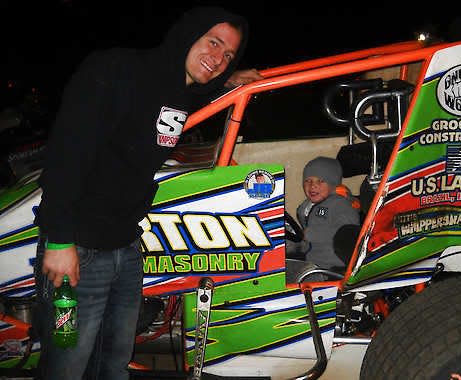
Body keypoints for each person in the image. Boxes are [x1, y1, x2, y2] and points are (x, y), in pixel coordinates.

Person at [33, 6, 262, 379]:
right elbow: (67, 152)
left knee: (113, 363)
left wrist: (229, 80)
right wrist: (59, 239)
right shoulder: (118, 70)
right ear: (188, 34)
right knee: (66, 365)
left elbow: (187, 96)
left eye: (228, 54)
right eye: (213, 43)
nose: (218, 58)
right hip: (78, 248)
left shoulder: (181, 93)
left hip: (124, 248)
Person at [286, 156, 360, 282]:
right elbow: (309, 242)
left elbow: (347, 235)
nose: (312, 186)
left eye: (320, 181)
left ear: (333, 183)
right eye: (308, 181)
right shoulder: (309, 206)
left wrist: (310, 234)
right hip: (313, 263)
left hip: (332, 270)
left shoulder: (340, 205)